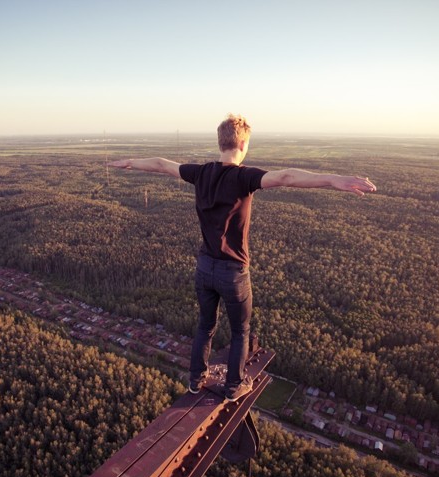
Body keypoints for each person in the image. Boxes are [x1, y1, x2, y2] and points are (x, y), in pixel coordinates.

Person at [109, 114, 376, 402]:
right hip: (233, 271)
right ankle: (234, 387)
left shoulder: (201, 172)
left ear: (221, 142)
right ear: (243, 143)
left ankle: (195, 381)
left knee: (205, 325)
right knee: (240, 331)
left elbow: (161, 164)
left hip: (204, 267)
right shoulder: (243, 177)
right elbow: (286, 176)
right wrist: (334, 180)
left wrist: (130, 162)